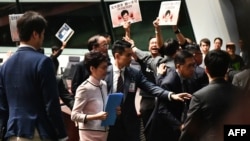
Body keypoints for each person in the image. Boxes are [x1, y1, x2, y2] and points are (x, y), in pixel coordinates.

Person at [105, 39, 192, 141]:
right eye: (128, 55)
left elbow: (150, 87)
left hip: (130, 123)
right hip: (109, 122)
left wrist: (170, 95)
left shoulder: (134, 73)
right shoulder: (104, 73)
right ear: (117, 56)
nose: (131, 58)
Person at [0, 11, 67, 140]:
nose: (42, 38)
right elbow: (51, 104)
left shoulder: (5, 66)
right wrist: (62, 135)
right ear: (35, 34)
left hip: (12, 132)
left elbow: (2, 106)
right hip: (37, 132)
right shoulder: (43, 62)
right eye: (42, 34)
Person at [179, 50, 241, 141]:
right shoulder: (239, 92)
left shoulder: (199, 96)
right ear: (227, 69)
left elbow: (189, 130)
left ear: (206, 70)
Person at [147, 50, 197, 141]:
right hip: (165, 129)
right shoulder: (169, 82)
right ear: (178, 66)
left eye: (193, 65)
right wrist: (179, 125)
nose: (192, 69)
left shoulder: (189, 78)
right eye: (189, 66)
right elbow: (162, 109)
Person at [71, 51, 110, 141]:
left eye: (106, 67)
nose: (106, 70)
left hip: (104, 132)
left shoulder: (103, 84)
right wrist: (96, 116)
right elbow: (74, 115)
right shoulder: (84, 88)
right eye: (103, 68)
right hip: (89, 134)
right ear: (92, 68)